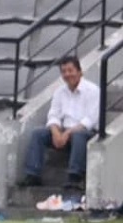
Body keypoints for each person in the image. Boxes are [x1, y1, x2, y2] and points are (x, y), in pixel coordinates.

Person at [19, 55, 99, 191]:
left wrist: (67, 133)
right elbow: (53, 115)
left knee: (78, 135)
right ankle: (33, 175)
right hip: (64, 132)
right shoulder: (60, 92)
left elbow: (90, 120)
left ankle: (75, 177)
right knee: (38, 134)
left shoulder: (93, 90)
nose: (67, 74)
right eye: (64, 71)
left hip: (86, 133)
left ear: (79, 72)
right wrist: (56, 132)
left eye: (70, 70)